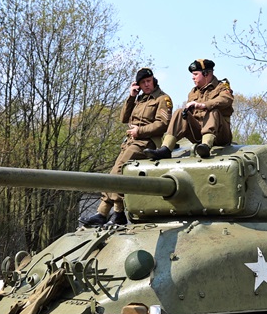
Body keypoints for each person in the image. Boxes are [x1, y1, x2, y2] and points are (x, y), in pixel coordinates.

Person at [82, 67, 173, 226]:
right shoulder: (140, 99)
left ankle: (104, 213)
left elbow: (163, 124)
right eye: (143, 82)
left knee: (118, 172)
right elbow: (123, 118)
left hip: (147, 142)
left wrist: (140, 130)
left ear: (154, 80)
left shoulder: (162, 99)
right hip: (130, 142)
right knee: (114, 173)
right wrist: (131, 96)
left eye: (149, 81)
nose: (146, 85)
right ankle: (116, 213)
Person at [145, 59, 233, 160]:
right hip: (199, 133)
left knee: (213, 110)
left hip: (220, 134)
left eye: (195, 74)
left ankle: (206, 145)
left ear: (206, 74)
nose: (193, 77)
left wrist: (203, 105)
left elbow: (226, 99)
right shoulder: (193, 92)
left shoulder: (221, 87)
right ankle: (166, 148)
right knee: (179, 112)